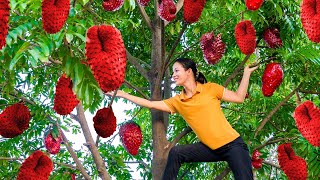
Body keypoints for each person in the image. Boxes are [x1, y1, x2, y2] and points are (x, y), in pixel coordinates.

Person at [107, 58, 258, 180]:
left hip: (233, 146)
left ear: (189, 71)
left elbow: (239, 97)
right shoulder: (178, 101)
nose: (173, 75)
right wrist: (123, 94)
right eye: (173, 72)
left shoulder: (210, 89)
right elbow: (150, 104)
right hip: (210, 149)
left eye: (176, 70)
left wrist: (246, 73)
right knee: (177, 153)